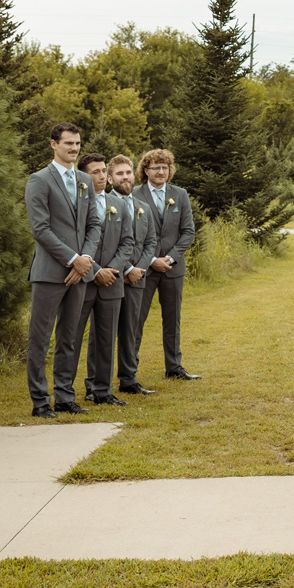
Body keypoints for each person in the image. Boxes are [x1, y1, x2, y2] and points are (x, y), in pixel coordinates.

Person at [24, 122, 102, 418]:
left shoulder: (84, 179)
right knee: (40, 338)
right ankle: (40, 401)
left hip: (81, 271)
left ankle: (65, 397)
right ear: (53, 144)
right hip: (49, 272)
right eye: (68, 143)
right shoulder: (39, 180)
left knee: (69, 337)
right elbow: (40, 229)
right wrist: (72, 259)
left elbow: (94, 224)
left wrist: (85, 260)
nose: (74, 148)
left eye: (77, 144)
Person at [72, 153, 138, 406]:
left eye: (103, 171)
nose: (100, 176)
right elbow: (76, 242)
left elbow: (128, 241)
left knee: (106, 337)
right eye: (95, 172)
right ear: (83, 177)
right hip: (83, 279)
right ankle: (68, 391)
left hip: (113, 281)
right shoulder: (75, 203)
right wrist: (95, 270)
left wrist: (112, 269)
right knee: (73, 337)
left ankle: (102, 390)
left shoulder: (118, 204)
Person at [132, 148, 199, 382]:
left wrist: (169, 258)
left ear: (170, 170)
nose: (161, 171)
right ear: (145, 170)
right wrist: (152, 260)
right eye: (155, 167)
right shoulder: (134, 195)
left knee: (172, 319)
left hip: (172, 268)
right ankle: (130, 371)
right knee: (136, 319)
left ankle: (174, 367)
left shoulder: (179, 195)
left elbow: (188, 231)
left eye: (165, 167)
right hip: (144, 268)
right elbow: (130, 234)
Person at [113, 154, 159, 397]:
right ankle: (95, 383)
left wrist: (139, 269)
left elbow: (150, 242)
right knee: (106, 332)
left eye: (128, 172)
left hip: (138, 278)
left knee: (131, 329)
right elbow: (105, 243)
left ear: (134, 174)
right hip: (112, 277)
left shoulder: (144, 208)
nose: (125, 177)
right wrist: (127, 269)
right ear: (110, 177)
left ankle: (128, 379)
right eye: (119, 173)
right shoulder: (104, 202)